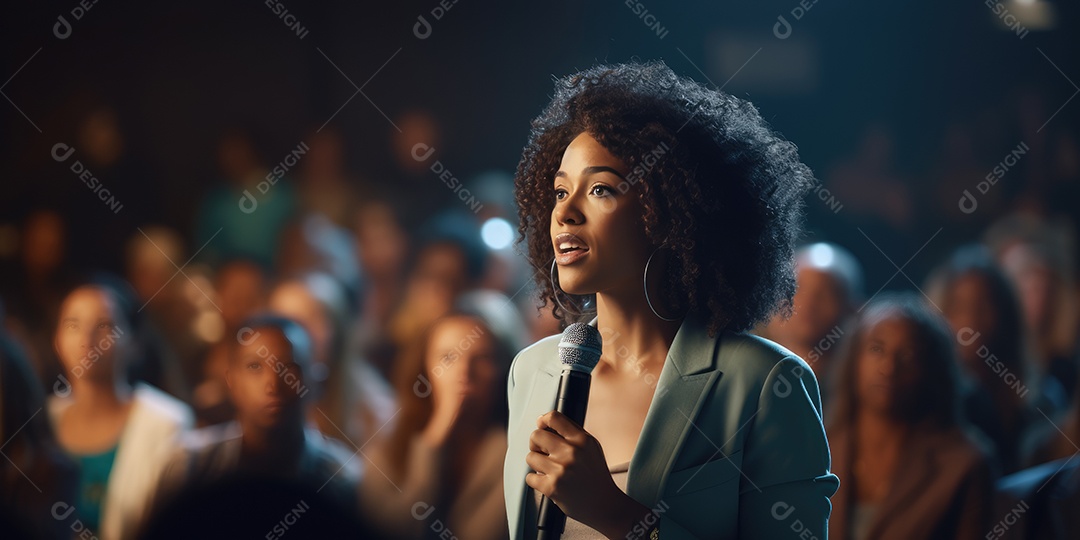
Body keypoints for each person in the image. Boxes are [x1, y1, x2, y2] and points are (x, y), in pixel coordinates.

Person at [504, 61, 837, 539]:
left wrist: (613, 512)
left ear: (666, 213)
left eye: (599, 189)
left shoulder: (764, 384)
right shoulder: (530, 373)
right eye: (559, 191)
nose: (566, 213)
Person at [826, 293, 997, 540]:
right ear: (854, 358)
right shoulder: (819, 447)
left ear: (930, 371)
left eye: (907, 354)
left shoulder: (964, 465)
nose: (888, 367)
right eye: (876, 348)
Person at [152, 315, 360, 516]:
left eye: (289, 368)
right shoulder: (190, 467)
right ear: (231, 380)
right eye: (254, 366)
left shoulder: (341, 479)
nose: (272, 385)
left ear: (314, 380)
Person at [360, 291, 523, 540]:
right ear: (424, 367)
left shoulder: (516, 453)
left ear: (503, 368)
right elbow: (392, 529)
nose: (463, 372)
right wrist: (432, 441)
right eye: (448, 357)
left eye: (482, 358)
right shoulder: (388, 446)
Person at [48, 283, 193, 540]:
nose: (86, 338)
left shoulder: (167, 425)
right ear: (57, 339)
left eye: (104, 326)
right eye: (73, 324)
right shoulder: (44, 419)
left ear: (135, 343)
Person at [760, 242, 863, 389]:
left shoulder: (855, 388)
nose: (809, 303)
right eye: (798, 288)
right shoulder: (751, 366)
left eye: (825, 294)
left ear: (851, 309)